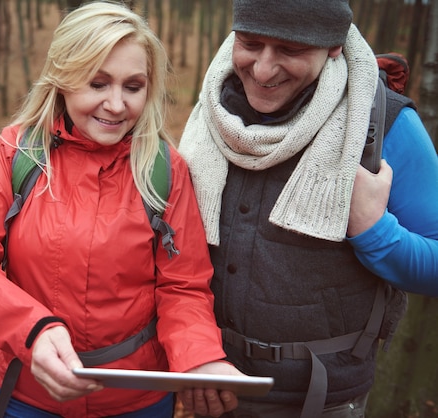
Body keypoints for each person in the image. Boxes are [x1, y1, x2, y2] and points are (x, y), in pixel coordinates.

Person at [0, 2, 245, 417]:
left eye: (132, 87)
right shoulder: (18, 153)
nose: (116, 105)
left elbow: (183, 286)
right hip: (29, 397)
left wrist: (200, 356)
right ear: (63, 80)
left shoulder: (164, 170)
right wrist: (31, 331)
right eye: (97, 84)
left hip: (139, 402)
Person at [178, 0, 438, 417]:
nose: (263, 70)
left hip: (322, 401)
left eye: (290, 50)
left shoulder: (385, 125)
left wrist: (375, 231)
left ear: (333, 46)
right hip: (211, 386)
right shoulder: (212, 114)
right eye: (250, 43)